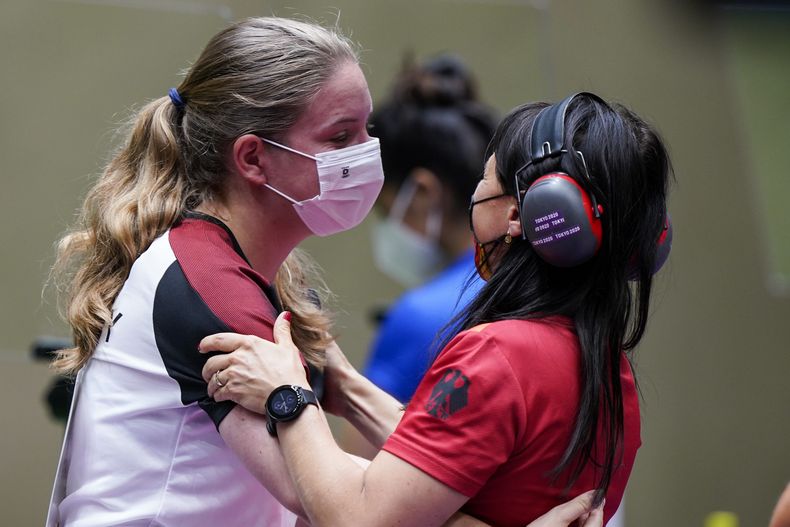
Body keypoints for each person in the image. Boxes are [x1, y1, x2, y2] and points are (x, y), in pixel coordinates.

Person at [46, 16, 601, 527]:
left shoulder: (253, 276)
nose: (367, 154)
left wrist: (343, 388)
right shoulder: (209, 285)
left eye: (366, 130)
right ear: (253, 158)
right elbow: (345, 507)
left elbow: (402, 471)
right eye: (340, 138)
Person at [199, 91, 673, 526]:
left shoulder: (497, 356)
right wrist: (349, 389)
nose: (474, 198)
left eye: (486, 182)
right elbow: (442, 472)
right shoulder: (613, 374)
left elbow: (360, 517)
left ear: (520, 214)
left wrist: (287, 393)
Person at [365, 53, 495, 404]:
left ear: (422, 193)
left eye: (386, 211)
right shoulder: (538, 283)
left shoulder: (423, 320)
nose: (386, 229)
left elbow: (357, 459)